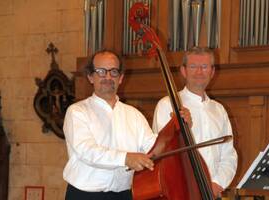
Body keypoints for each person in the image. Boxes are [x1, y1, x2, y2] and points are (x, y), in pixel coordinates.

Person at [62, 50, 157, 200]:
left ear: (121, 78)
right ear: (90, 77)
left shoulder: (135, 115)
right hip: (85, 196)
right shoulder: (77, 112)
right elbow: (87, 151)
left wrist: (176, 128)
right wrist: (125, 158)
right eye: (101, 71)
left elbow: (154, 148)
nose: (108, 77)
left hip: (125, 195)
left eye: (113, 72)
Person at [152, 47, 238, 198]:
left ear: (212, 72)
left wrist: (217, 183)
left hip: (212, 193)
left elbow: (229, 155)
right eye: (193, 67)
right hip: (180, 192)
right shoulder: (167, 105)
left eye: (204, 67)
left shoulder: (219, 110)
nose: (199, 72)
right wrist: (180, 130)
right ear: (183, 71)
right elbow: (161, 154)